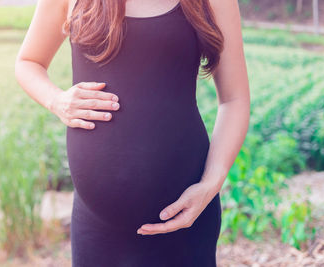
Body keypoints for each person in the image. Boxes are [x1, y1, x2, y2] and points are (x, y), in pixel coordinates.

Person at [15, 0, 250, 266]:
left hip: (185, 222)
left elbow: (234, 99)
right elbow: (28, 61)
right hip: (96, 229)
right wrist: (56, 100)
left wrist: (211, 184)